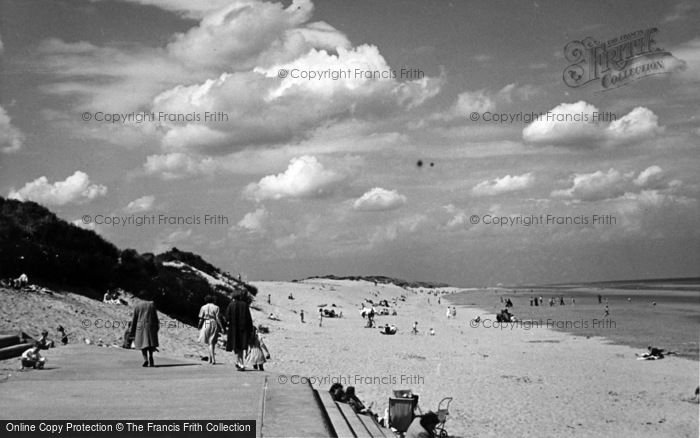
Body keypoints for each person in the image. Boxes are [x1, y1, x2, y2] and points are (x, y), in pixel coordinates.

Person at [223, 291, 254, 371]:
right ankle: (240, 362)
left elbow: (227, 317)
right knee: (241, 346)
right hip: (243, 328)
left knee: (236, 346)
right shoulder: (245, 305)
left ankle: (240, 363)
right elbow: (249, 318)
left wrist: (226, 325)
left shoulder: (231, 305)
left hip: (233, 328)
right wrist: (250, 329)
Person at [129, 300, 159, 367]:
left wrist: (132, 330)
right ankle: (151, 356)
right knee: (150, 344)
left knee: (143, 344)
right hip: (150, 326)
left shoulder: (138, 305)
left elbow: (134, 318)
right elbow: (155, 317)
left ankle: (145, 359)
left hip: (140, 327)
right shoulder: (151, 305)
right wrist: (156, 327)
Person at [197, 295, 224, 365]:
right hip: (213, 322)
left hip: (206, 322)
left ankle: (211, 359)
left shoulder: (203, 307)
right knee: (212, 341)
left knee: (209, 342)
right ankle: (212, 359)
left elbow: (201, 318)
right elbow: (217, 318)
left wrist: (199, 325)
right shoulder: (216, 307)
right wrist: (221, 327)